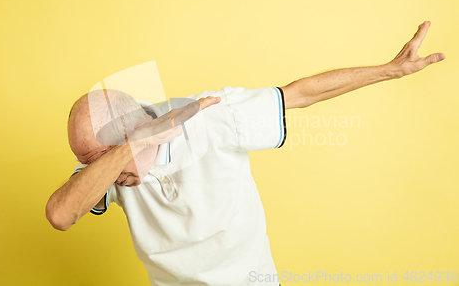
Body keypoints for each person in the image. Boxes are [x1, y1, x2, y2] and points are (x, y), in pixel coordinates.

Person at [46, 21, 445, 286]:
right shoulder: (110, 166)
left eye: (102, 158)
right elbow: (61, 215)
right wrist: (132, 148)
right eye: (92, 163)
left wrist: (389, 70)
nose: (102, 172)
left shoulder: (211, 117)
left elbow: (300, 93)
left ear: (131, 123)